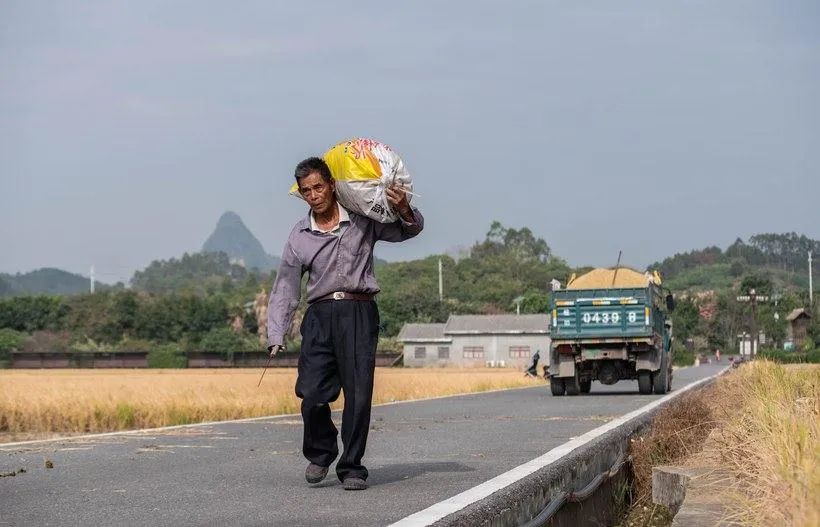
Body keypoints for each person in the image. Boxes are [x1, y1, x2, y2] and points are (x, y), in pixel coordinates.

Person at [266, 157, 423, 491]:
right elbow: (285, 285)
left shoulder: (363, 220)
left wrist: (405, 208)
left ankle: (351, 466)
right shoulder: (299, 235)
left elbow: (406, 230)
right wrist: (276, 331)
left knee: (359, 393)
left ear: (332, 185)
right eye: (306, 190)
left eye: (319, 187)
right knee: (310, 392)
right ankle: (322, 451)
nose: (314, 195)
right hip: (320, 316)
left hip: (358, 311)